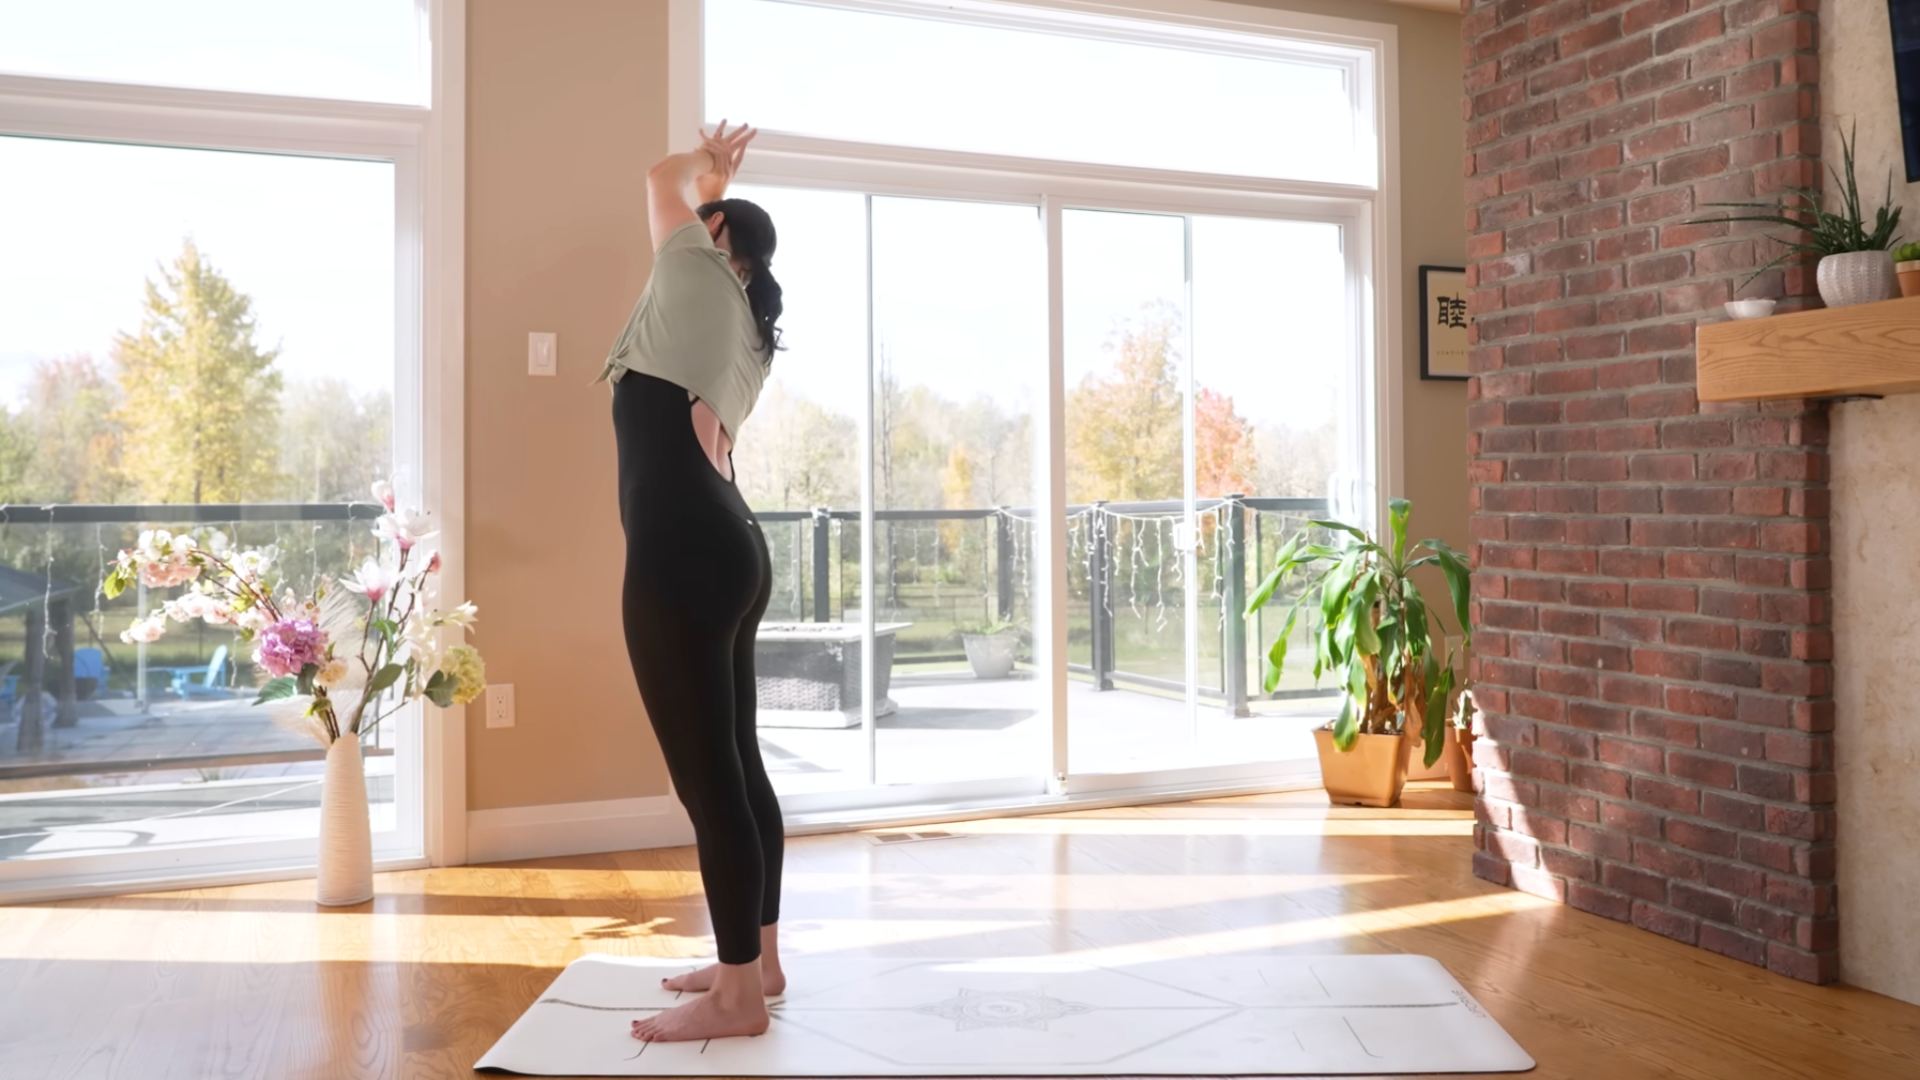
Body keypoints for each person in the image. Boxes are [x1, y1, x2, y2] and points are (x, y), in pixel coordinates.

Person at [599, 121, 787, 1043]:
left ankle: (739, 998)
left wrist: (705, 171)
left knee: (708, 782)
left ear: (720, 242)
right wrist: (713, 186)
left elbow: (654, 176)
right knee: (740, 767)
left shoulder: (693, 273)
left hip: (678, 552)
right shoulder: (751, 334)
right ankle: (758, 960)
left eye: (703, 217)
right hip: (734, 547)